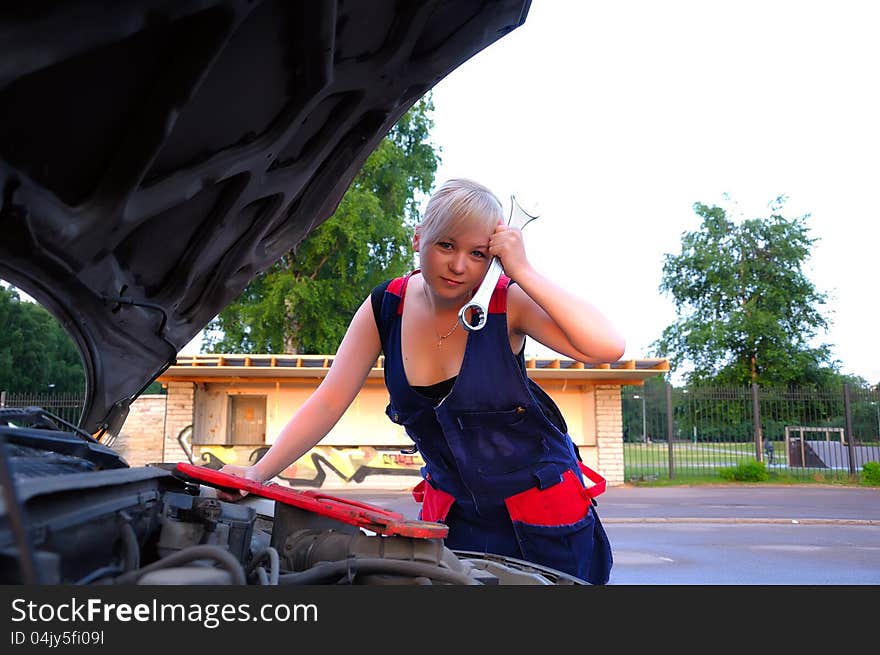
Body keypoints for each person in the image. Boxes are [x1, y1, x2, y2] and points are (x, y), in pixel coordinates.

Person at [217, 178, 626, 584]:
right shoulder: (385, 307)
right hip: (454, 523)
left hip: (545, 524)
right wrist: (258, 473)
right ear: (418, 239)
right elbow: (329, 401)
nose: (459, 265)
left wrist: (523, 270)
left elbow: (607, 346)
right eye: (446, 245)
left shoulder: (508, 301)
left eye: (479, 253)